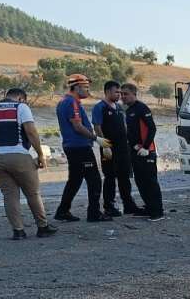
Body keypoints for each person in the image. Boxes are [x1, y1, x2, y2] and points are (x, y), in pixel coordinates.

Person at [0, 87, 58, 240]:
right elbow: (31, 131)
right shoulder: (21, 107)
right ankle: (42, 227)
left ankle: (18, 231)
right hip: (19, 156)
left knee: (10, 195)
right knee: (33, 193)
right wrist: (40, 155)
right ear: (21, 98)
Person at [55, 74, 112, 223]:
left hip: (72, 146)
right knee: (94, 180)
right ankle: (94, 213)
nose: (88, 91)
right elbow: (78, 126)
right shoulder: (71, 102)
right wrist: (96, 138)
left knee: (74, 181)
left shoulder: (65, 102)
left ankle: (62, 211)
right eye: (86, 87)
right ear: (77, 87)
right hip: (79, 147)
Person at [91, 80, 143, 217]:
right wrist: (105, 145)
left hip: (123, 147)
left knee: (124, 176)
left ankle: (129, 205)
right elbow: (97, 126)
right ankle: (109, 206)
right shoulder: (100, 107)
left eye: (120, 92)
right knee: (110, 176)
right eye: (116, 92)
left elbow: (125, 125)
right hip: (108, 148)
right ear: (107, 92)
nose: (119, 95)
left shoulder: (119, 107)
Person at [120, 83, 165, 221]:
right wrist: (133, 146)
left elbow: (152, 128)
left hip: (147, 152)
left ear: (134, 94)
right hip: (136, 151)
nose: (123, 96)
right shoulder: (129, 110)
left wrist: (145, 147)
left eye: (126, 94)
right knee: (140, 181)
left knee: (150, 182)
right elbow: (131, 133)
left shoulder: (141, 108)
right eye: (122, 94)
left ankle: (157, 212)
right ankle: (149, 207)